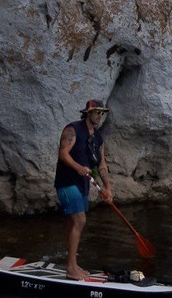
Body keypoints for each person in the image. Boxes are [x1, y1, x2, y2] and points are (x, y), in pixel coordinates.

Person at [55, 99, 113, 280]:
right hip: (67, 182)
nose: (99, 116)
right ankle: (71, 268)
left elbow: (101, 164)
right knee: (80, 220)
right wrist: (78, 167)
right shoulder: (72, 129)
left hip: (83, 184)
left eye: (102, 113)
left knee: (73, 223)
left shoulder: (97, 136)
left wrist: (107, 188)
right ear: (88, 112)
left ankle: (72, 264)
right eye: (97, 112)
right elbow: (63, 154)